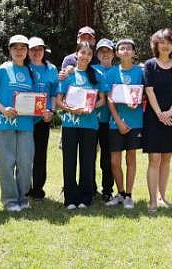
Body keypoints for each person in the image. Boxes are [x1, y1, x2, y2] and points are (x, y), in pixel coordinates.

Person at [0, 35, 35, 212]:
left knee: (25, 162)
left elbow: (37, 99)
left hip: (25, 124)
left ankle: (23, 197)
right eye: (15, 48)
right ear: (10, 50)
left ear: (27, 51)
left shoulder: (31, 72)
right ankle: (10, 200)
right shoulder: (2, 70)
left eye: (23, 48)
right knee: (6, 163)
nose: (19, 51)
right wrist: (3, 109)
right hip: (3, 123)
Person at [56, 41, 107, 209]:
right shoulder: (67, 75)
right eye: (82, 53)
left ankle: (86, 198)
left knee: (87, 161)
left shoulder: (96, 75)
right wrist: (70, 108)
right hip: (70, 124)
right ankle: (70, 198)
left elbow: (102, 100)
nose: (85, 56)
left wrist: (90, 107)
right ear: (76, 54)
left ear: (91, 57)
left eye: (89, 54)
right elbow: (58, 100)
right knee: (69, 161)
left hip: (90, 124)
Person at [142, 29, 172, 213]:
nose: (165, 45)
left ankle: (162, 196)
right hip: (154, 117)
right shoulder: (150, 65)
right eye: (162, 42)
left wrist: (169, 112)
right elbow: (149, 90)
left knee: (167, 158)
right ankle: (152, 200)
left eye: (168, 42)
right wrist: (160, 113)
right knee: (154, 159)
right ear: (156, 45)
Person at [105, 39, 144, 209]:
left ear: (134, 53)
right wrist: (118, 121)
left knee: (131, 159)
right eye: (122, 48)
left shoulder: (140, 72)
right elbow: (110, 99)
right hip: (116, 123)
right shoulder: (112, 73)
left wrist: (138, 101)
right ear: (117, 53)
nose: (126, 51)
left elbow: (145, 95)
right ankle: (120, 193)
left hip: (135, 123)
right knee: (114, 161)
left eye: (129, 49)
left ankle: (128, 195)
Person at [26, 37, 58, 201]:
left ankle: (38, 189)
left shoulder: (51, 69)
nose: (37, 52)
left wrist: (51, 111)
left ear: (44, 51)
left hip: (42, 119)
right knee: (24, 155)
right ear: (28, 51)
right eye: (33, 49)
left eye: (40, 49)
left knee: (40, 155)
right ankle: (25, 188)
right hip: (24, 119)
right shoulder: (23, 67)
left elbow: (54, 93)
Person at [92, 38, 115, 202]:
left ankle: (107, 190)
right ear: (97, 54)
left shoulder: (118, 71)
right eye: (102, 51)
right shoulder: (90, 69)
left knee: (107, 158)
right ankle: (90, 188)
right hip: (91, 120)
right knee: (89, 156)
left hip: (110, 121)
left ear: (113, 54)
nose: (105, 54)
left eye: (108, 51)